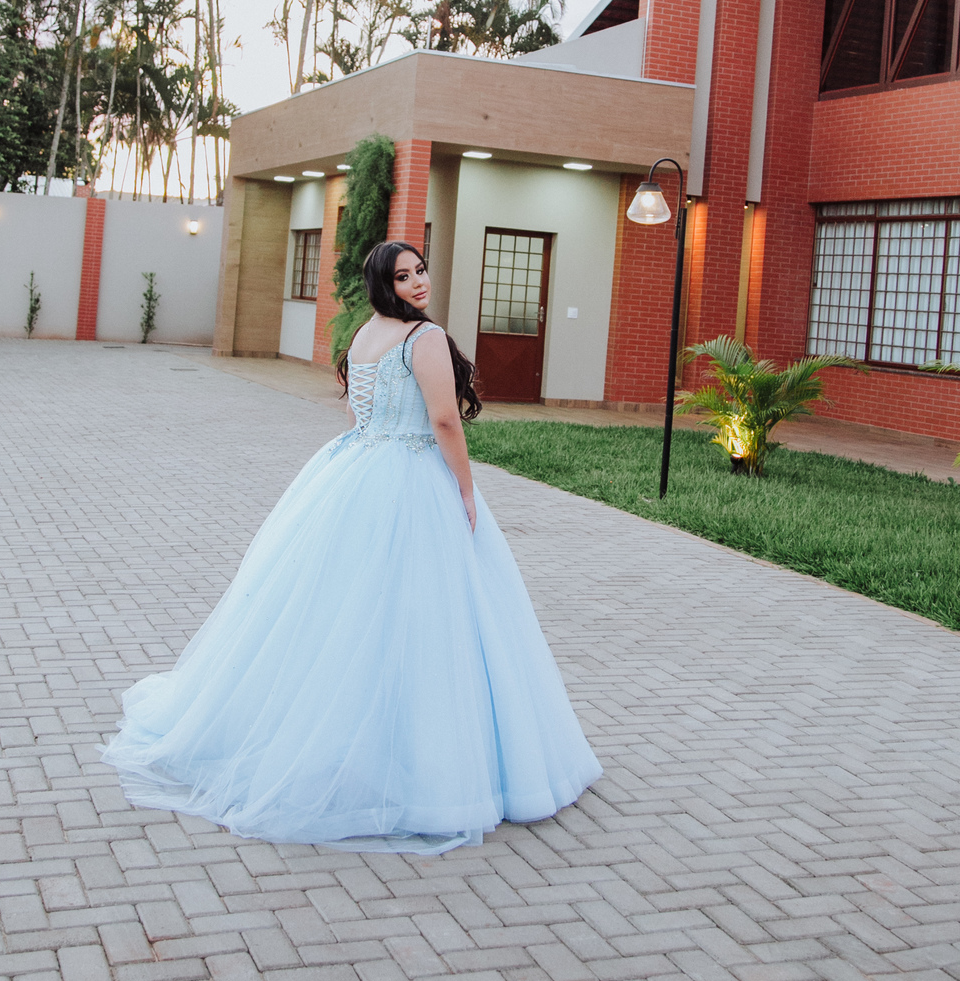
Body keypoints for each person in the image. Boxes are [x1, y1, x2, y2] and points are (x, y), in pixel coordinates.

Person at [101, 238, 601, 854]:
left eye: (421, 270)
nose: (418, 282)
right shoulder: (424, 338)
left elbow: (356, 414)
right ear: (385, 285)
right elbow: (445, 420)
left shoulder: (365, 335)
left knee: (348, 607)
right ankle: (415, 766)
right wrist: (466, 490)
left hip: (356, 469)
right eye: (404, 276)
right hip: (411, 476)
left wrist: (368, 453)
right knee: (421, 613)